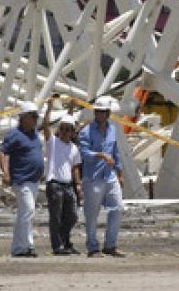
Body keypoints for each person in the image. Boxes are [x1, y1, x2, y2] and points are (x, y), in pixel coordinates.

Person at [78, 95, 126, 258]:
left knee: (118, 207)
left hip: (109, 175)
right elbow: (84, 153)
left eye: (101, 112)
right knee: (92, 214)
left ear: (107, 113)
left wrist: (119, 173)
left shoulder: (113, 129)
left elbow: (115, 152)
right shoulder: (86, 132)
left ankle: (110, 244)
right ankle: (92, 247)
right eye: (97, 112)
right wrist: (101, 155)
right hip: (93, 177)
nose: (98, 115)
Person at [0, 101, 44, 257]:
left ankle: (23, 247)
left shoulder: (35, 134)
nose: (36, 119)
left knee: (27, 213)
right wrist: (6, 173)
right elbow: (2, 153)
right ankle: (22, 247)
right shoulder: (14, 134)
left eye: (36, 116)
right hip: (21, 179)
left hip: (34, 180)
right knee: (28, 211)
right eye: (33, 116)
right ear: (24, 117)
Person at [42, 104, 82, 255]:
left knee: (72, 216)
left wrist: (78, 185)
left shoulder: (74, 148)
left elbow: (75, 167)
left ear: (72, 132)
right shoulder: (53, 142)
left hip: (68, 185)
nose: (65, 132)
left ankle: (65, 241)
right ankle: (57, 246)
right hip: (55, 184)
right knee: (56, 217)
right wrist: (49, 110)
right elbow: (45, 126)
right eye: (63, 128)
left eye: (68, 129)